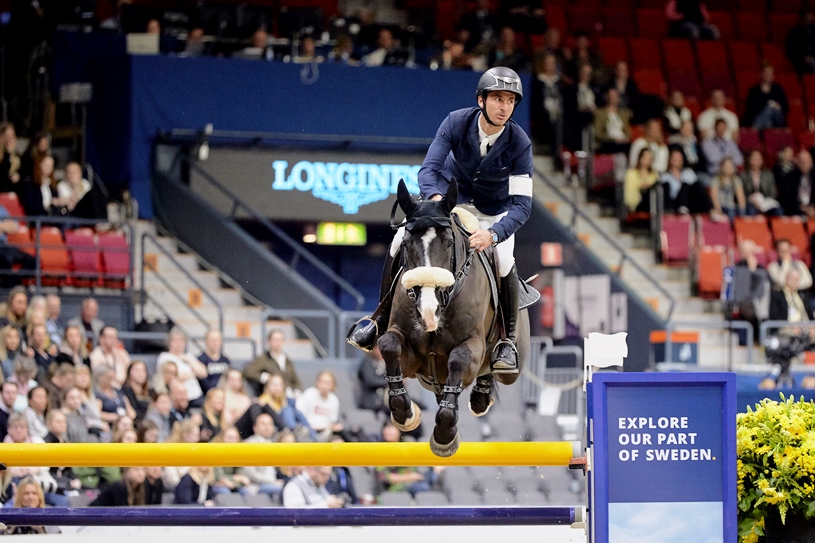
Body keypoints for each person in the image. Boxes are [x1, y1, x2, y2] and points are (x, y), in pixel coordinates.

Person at [348, 67, 533, 374]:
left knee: (502, 258)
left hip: (493, 212)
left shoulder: (519, 142)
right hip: (448, 203)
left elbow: (522, 206)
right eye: (498, 98)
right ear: (481, 100)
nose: (504, 107)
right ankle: (378, 320)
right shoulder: (455, 122)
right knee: (398, 240)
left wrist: (494, 234)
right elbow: (428, 170)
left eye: (511, 101)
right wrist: (435, 201)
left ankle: (507, 342)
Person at [157, 328, 207, 408]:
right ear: (169, 343)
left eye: (181, 341)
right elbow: (174, 376)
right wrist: (194, 373)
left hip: (195, 395)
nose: (179, 344)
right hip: (178, 397)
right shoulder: (165, 357)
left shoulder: (188, 356)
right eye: (175, 341)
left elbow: (204, 373)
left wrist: (189, 360)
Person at [244, 329, 302, 397]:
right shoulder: (264, 359)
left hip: (288, 394)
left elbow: (295, 380)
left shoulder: (287, 360)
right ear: (269, 341)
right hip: (272, 396)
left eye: (280, 340)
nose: (278, 342)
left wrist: (297, 391)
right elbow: (248, 371)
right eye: (275, 340)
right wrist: (265, 377)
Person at [242, 413, 285, 499]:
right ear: (255, 428)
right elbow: (249, 472)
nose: (267, 427)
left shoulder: (272, 444)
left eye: (270, 424)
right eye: (263, 424)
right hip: (255, 487)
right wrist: (272, 482)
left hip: (272, 483)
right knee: (286, 490)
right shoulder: (249, 444)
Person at [259, 374, 314, 441]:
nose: (276, 388)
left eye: (278, 385)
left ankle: (314, 437)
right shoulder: (263, 400)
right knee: (287, 409)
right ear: (268, 386)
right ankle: (292, 431)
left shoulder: (287, 400)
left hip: (288, 426)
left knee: (297, 412)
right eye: (273, 385)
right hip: (275, 429)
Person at [530, 52, 564, 152]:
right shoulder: (537, 82)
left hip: (558, 113)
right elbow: (535, 103)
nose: (550, 66)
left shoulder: (560, 83)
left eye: (552, 63)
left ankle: (559, 151)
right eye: (547, 63)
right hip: (542, 114)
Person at [661, 148, 711, 214]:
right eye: (674, 158)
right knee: (666, 185)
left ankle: (711, 210)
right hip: (673, 202)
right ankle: (670, 210)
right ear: (670, 159)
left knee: (693, 185)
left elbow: (697, 189)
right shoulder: (665, 176)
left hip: (690, 202)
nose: (676, 160)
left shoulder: (689, 172)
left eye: (679, 158)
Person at [296, 371, 342, 442]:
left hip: (325, 431)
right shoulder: (309, 394)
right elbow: (299, 413)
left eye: (327, 383)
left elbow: (332, 421)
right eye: (322, 382)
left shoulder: (334, 400)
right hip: (307, 429)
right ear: (317, 383)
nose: (324, 386)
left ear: (333, 385)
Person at [743, 64, 789, 130]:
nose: (768, 75)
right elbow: (750, 110)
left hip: (777, 121)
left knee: (772, 109)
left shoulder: (778, 89)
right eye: (766, 73)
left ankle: (766, 131)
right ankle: (768, 132)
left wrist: (778, 106)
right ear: (762, 74)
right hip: (759, 118)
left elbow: (786, 108)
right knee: (768, 110)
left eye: (770, 73)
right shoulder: (754, 90)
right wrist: (764, 95)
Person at [0, 203, 35, 287]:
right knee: (6, 260)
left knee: (32, 260)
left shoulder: (1, 209)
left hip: (4, 245)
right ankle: (8, 288)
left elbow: (15, 227)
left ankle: (15, 281)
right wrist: (3, 225)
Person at [211, 426, 252, 496]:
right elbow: (218, 477)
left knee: (245, 492)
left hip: (232, 485)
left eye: (234, 438)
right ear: (222, 438)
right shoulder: (215, 452)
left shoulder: (239, 454)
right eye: (229, 437)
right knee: (225, 493)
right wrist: (236, 478)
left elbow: (242, 477)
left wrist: (233, 483)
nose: (231, 441)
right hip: (216, 485)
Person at [90, 467, 160, 506]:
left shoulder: (144, 487)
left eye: (143, 469)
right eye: (136, 469)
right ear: (127, 471)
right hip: (95, 518)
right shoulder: (119, 487)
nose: (141, 473)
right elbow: (121, 513)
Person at [93, 364, 136, 429]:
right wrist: (117, 417)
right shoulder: (98, 394)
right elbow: (97, 413)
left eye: (113, 377)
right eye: (109, 378)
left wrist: (129, 416)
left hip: (125, 422)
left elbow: (130, 409)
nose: (112, 380)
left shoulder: (117, 391)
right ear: (101, 378)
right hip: (111, 425)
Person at [741, 150, 780, 216]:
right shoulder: (743, 176)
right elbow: (742, 194)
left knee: (778, 211)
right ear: (749, 160)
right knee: (751, 209)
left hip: (766, 202)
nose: (756, 161)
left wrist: (764, 202)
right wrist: (752, 201)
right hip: (751, 202)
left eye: (759, 159)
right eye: (754, 159)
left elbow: (772, 193)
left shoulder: (768, 174)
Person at [594, 87, 632, 154]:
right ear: (606, 97)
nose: (612, 98)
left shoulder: (623, 114)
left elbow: (627, 132)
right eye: (610, 96)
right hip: (608, 142)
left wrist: (625, 139)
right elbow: (598, 133)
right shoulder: (600, 113)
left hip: (622, 143)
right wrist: (613, 139)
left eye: (614, 96)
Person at [778, 149, 815, 216]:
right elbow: (786, 197)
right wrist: (801, 207)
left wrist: (812, 208)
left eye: (807, 162)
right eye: (802, 162)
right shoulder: (789, 177)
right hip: (795, 210)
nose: (804, 165)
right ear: (797, 163)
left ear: (811, 163)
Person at [624, 148, 659, 214]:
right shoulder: (631, 173)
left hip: (652, 203)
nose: (647, 160)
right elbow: (629, 192)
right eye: (645, 157)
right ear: (640, 158)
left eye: (649, 158)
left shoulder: (654, 174)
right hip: (637, 204)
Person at [197, 329, 230, 394]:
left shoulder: (226, 360)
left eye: (217, 340)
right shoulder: (200, 360)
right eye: (211, 340)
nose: (214, 343)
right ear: (206, 341)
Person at [357, 344, 387, 415]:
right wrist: (391, 381)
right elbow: (371, 381)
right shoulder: (367, 363)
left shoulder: (387, 364)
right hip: (372, 401)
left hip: (386, 400)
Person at [786, 9, 815, 74]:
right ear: (802, 18)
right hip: (801, 59)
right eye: (807, 17)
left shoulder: (814, 30)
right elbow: (791, 50)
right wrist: (803, 57)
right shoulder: (794, 32)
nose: (810, 20)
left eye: (811, 17)